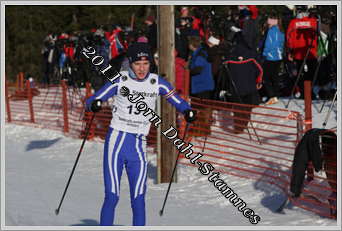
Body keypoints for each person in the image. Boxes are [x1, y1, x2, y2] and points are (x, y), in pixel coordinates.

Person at [85, 42, 196, 226]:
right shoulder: (119, 80)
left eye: (146, 63)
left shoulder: (156, 82)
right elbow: (92, 100)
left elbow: (177, 100)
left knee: (138, 199)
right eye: (137, 64)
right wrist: (94, 104)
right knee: (112, 196)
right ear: (130, 63)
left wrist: (187, 111)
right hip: (116, 143)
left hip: (138, 145)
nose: (142, 68)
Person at [261, 12, 285, 105]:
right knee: (274, 76)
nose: (267, 21)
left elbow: (270, 44)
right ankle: (275, 95)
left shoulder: (272, 30)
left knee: (266, 77)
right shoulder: (280, 29)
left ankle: (272, 96)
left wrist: (264, 53)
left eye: (269, 19)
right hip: (278, 56)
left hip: (271, 56)